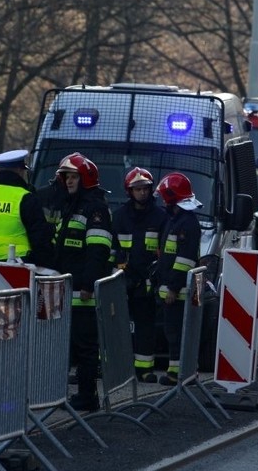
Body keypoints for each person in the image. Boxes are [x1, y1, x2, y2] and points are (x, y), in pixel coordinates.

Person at [53, 153, 113, 411]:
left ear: (85, 178)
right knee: (70, 346)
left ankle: (88, 396)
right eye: (66, 176)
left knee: (86, 347)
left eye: (73, 176)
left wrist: (88, 284)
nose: (68, 181)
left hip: (83, 291)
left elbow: (98, 251)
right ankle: (71, 394)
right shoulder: (72, 205)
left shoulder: (95, 208)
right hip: (68, 288)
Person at [0, 148, 55, 292]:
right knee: (18, 313)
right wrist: (47, 268)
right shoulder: (25, 198)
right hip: (16, 270)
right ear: (19, 171)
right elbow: (40, 240)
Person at [112, 167, 168, 383]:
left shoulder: (160, 217)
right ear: (129, 191)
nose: (142, 192)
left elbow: (164, 250)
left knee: (146, 327)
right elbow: (113, 248)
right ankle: (109, 367)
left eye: (145, 188)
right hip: (121, 281)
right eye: (137, 189)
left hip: (147, 282)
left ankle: (144, 370)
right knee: (115, 326)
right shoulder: (118, 217)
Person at [154, 172, 202, 386]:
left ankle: (178, 374)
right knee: (173, 333)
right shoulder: (178, 220)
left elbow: (184, 260)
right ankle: (177, 372)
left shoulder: (186, 223)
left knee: (176, 334)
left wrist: (173, 288)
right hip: (175, 290)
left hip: (179, 292)